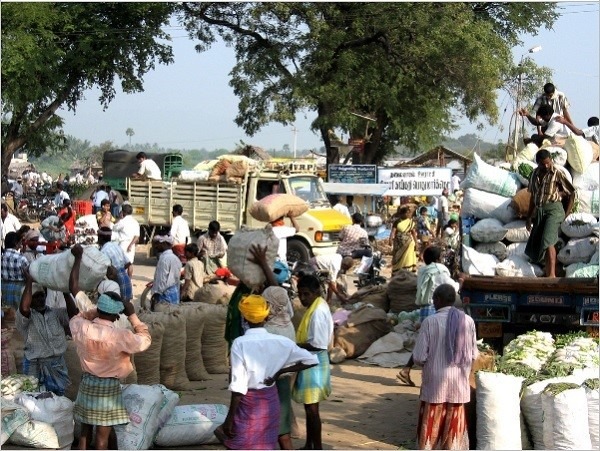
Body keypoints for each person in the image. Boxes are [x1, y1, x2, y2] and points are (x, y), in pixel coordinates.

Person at [67, 244, 151, 450]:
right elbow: (145, 341)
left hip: (87, 383)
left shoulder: (81, 327)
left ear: (98, 307)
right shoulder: (121, 335)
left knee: (85, 434)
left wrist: (92, 312)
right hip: (108, 388)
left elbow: (77, 313)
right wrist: (133, 317)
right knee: (102, 437)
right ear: (117, 315)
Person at [215, 294, 318, 450]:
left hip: (248, 405)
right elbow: (311, 360)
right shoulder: (281, 341)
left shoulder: (239, 343)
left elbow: (238, 387)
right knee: (265, 445)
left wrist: (229, 419)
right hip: (270, 401)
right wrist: (279, 372)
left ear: (244, 318)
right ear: (267, 316)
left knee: (237, 442)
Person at [413, 283, 477, 450]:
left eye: (434, 299)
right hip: (458, 385)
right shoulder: (468, 321)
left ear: (438, 300)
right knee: (453, 433)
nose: (433, 302)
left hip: (435, 385)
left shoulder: (430, 322)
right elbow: (474, 355)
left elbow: (419, 357)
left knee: (430, 432)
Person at [397, 246, 461, 387]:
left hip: (425, 309)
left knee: (425, 342)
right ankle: (425, 374)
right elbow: (450, 287)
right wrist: (459, 283)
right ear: (438, 258)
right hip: (435, 307)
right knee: (432, 344)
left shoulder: (423, 270)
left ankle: (407, 369)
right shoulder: (439, 270)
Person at [15, 267, 77, 396]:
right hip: (34, 365)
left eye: (42, 296)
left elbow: (73, 314)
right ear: (28, 299)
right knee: (34, 399)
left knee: (59, 399)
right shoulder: (24, 317)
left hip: (57, 364)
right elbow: (24, 307)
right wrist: (29, 281)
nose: (40, 299)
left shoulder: (55, 313)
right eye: (35, 297)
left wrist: (64, 290)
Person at [292, 274, 334, 450]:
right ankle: (310, 444)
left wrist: (293, 346)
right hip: (313, 360)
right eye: (300, 294)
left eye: (306, 294)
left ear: (316, 291)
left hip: (314, 361)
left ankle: (316, 446)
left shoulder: (317, 312)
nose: (302, 298)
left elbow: (317, 343)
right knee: (310, 409)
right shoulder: (318, 306)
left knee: (312, 410)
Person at [525, 148, 575, 278]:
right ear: (538, 163)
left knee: (548, 241)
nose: (546, 166)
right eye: (543, 164)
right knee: (539, 244)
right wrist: (529, 217)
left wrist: (566, 214)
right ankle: (548, 273)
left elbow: (572, 193)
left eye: (548, 163)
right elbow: (532, 197)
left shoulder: (557, 173)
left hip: (554, 210)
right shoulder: (534, 175)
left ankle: (552, 275)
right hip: (540, 211)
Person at [262, 286, 297, 449]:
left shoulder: (269, 329)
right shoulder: (287, 323)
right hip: (285, 379)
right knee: (282, 429)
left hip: (271, 382)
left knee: (278, 431)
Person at [98, 227, 133, 302]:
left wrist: (114, 276)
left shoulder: (103, 251)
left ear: (100, 238)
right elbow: (128, 263)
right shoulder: (116, 246)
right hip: (126, 280)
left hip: (117, 283)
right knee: (126, 306)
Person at [150, 235, 183, 308]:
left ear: (164, 244)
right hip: (174, 294)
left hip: (164, 296)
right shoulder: (175, 258)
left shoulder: (164, 259)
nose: (155, 246)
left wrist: (156, 295)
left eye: (157, 244)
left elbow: (162, 280)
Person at [1, 232, 29, 310]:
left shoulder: (1, 257)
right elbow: (28, 274)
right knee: (18, 314)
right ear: (16, 243)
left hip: (3, 289)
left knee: (6, 312)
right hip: (19, 290)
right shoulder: (21, 258)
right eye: (20, 242)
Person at [113, 204, 140, 277]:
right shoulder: (136, 222)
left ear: (123, 212)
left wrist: (120, 218)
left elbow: (114, 228)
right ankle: (129, 279)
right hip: (131, 245)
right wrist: (131, 245)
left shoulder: (123, 221)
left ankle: (122, 278)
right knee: (130, 264)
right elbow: (137, 236)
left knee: (121, 263)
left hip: (123, 244)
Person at [389, 205, 417, 274]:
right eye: (406, 213)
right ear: (402, 213)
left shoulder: (410, 222)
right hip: (399, 243)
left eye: (409, 213)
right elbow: (393, 231)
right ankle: (397, 271)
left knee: (408, 258)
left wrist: (416, 243)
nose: (408, 214)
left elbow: (413, 233)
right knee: (397, 257)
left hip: (409, 243)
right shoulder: (397, 222)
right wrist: (390, 239)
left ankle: (408, 271)